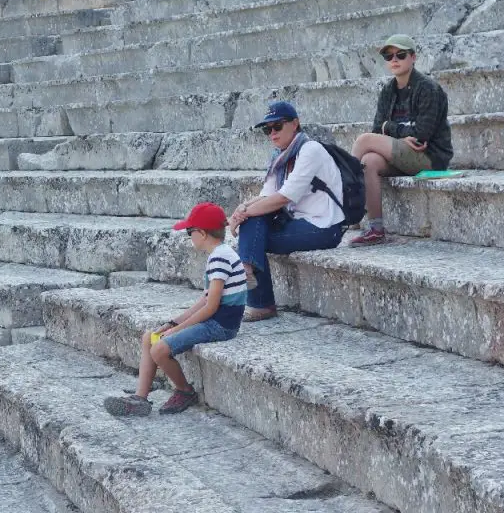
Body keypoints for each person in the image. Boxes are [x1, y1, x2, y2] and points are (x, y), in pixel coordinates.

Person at [104, 202, 246, 417]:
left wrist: (176, 331)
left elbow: (211, 308)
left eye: (190, 232)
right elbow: (205, 300)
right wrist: (173, 323)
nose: (189, 237)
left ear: (202, 233)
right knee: (149, 337)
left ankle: (185, 390)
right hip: (213, 320)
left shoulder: (220, 258)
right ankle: (140, 398)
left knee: (159, 349)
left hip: (221, 326)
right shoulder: (219, 254)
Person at [227, 101, 345, 321]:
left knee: (253, 229)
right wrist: (241, 210)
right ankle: (251, 281)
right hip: (297, 223)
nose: (272, 134)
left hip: (324, 227)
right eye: (267, 129)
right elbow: (265, 196)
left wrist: (243, 214)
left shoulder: (310, 150)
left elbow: (282, 198)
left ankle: (258, 297)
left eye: (277, 126)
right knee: (253, 223)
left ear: (295, 124)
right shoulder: (280, 157)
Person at [349, 34, 453, 245]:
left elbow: (422, 134)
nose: (394, 59)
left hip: (429, 158)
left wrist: (392, 129)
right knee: (368, 161)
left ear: (413, 57)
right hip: (404, 155)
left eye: (401, 54)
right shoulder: (387, 91)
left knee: (363, 141)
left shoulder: (428, 88)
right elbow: (378, 129)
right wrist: (402, 134)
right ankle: (376, 229)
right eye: (389, 56)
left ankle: (346, 196)